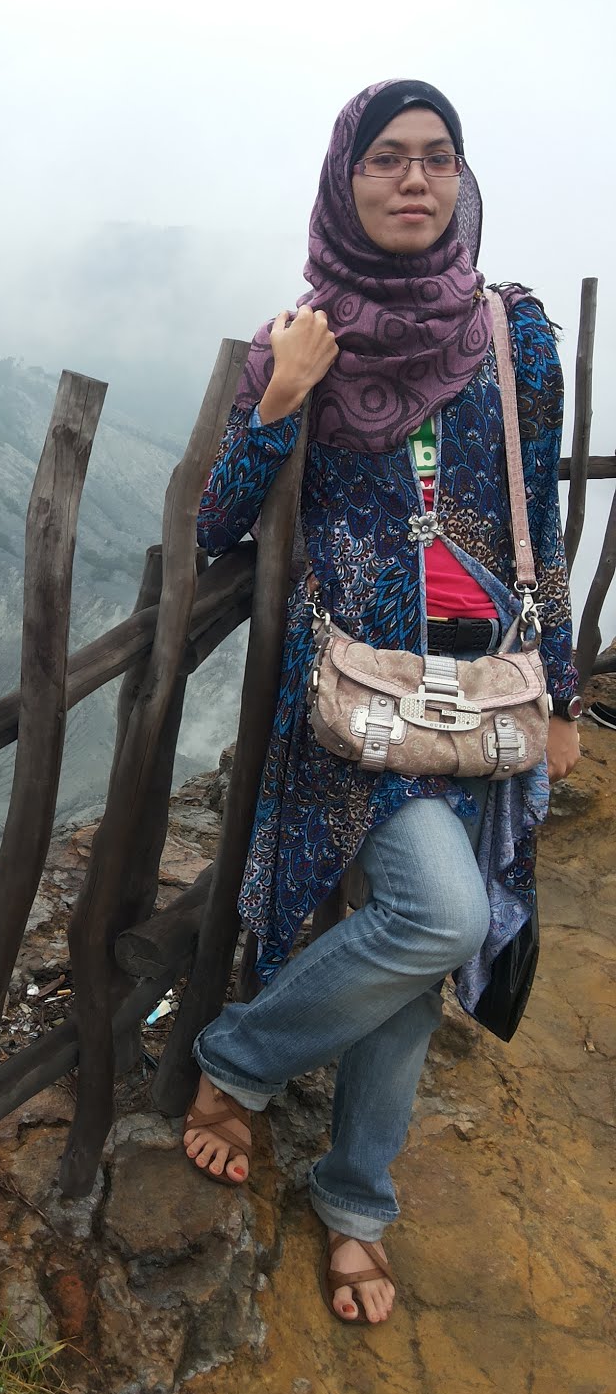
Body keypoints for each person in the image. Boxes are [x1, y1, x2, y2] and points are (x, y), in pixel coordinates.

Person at [182, 80, 581, 1326]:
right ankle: (238, 1062)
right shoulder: (301, 338)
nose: (415, 180)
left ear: (462, 182)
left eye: (438, 159)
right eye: (388, 160)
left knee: (421, 958)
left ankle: (357, 1197)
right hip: (361, 713)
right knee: (441, 914)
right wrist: (282, 398)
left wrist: (561, 688)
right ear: (344, 181)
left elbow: (541, 530)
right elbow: (216, 526)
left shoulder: (514, 336)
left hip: (489, 701)